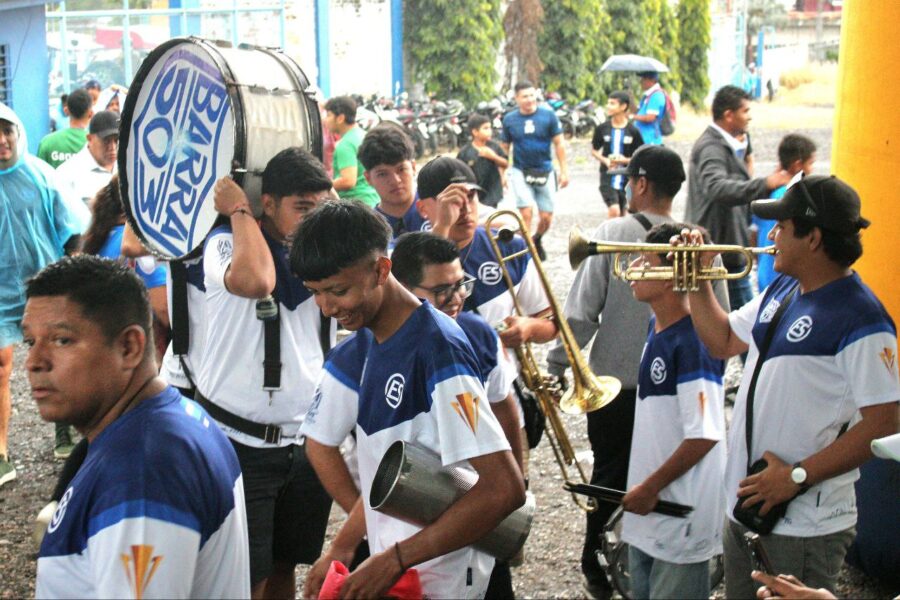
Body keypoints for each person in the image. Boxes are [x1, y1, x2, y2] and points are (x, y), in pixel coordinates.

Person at [292, 200, 525, 599]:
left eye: (338, 291)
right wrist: (344, 543)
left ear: (382, 270)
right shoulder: (370, 341)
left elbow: (504, 489)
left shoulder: (438, 348)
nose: (327, 307)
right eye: (315, 293)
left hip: (445, 579)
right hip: (406, 575)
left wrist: (396, 558)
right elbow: (396, 475)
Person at [680, 175, 899, 598]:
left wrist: (797, 476)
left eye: (782, 225)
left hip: (801, 524)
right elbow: (723, 340)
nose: (773, 234)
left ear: (813, 238)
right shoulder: (783, 288)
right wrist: (698, 279)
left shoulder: (863, 318)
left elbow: (884, 424)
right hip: (750, 509)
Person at [546, 145, 728, 600]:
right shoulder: (699, 243)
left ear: (641, 184)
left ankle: (600, 564)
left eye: (629, 181)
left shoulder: (614, 233)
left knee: (608, 481)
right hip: (652, 388)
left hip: (612, 389)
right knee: (635, 480)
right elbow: (721, 323)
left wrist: (556, 364)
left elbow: (581, 312)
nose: (634, 270)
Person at [26, 256, 250, 598]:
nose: (34, 362)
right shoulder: (166, 419)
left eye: (61, 340)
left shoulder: (141, 474)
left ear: (129, 347)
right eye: (30, 341)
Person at [196, 147, 336, 599]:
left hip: (306, 442)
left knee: (284, 566)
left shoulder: (322, 253)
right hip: (241, 444)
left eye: (321, 207)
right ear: (268, 203)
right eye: (302, 208)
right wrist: (239, 210)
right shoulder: (223, 242)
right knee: (244, 579)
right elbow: (257, 280)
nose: (314, 220)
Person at [620, 222, 726, 600]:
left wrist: (649, 487)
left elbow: (705, 433)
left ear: (671, 276)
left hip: (679, 512)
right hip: (654, 513)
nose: (632, 269)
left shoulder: (694, 340)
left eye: (643, 262)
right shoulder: (658, 326)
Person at [0, 103, 84, 482]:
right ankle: (1, 452)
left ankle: (63, 428)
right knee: (1, 367)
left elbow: (71, 228)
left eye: (8, 132)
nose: (2, 141)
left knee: (55, 356)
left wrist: (73, 277)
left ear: (18, 134)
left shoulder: (40, 176)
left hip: (43, 285)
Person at [684, 85, 792, 311]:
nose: (749, 117)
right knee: (745, 331)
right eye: (745, 111)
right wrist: (765, 184)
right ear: (728, 115)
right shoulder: (711, 147)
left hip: (727, 252)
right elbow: (717, 188)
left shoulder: (726, 144)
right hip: (722, 254)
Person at [81, 176, 169, 363]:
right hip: (132, 352)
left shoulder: (99, 238)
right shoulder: (141, 247)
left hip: (98, 343)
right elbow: (163, 308)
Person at [500, 81, 569, 260]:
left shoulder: (548, 116)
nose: (529, 100)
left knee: (546, 217)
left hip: (545, 170)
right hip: (520, 170)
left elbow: (559, 143)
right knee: (526, 212)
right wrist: (502, 173)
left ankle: (536, 238)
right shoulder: (509, 119)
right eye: (525, 96)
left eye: (532, 95)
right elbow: (504, 148)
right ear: (516, 99)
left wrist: (564, 170)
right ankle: (525, 251)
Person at [753, 134, 816, 292]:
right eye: (810, 163)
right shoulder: (794, 199)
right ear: (798, 166)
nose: (812, 169)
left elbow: (753, 234)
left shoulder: (768, 193)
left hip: (764, 274)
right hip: (783, 279)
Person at [357, 125, 428, 241]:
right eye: (383, 174)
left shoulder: (437, 210)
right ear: (368, 178)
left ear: (414, 167)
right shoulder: (368, 230)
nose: (395, 181)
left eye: (401, 169)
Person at [590, 91, 644, 219]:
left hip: (626, 178)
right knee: (614, 210)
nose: (608, 106)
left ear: (623, 106)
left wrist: (624, 160)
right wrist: (605, 160)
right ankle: (605, 237)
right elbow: (594, 150)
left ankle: (618, 237)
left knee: (623, 213)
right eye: (608, 103)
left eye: (612, 103)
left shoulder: (633, 131)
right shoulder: (602, 128)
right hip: (607, 176)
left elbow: (640, 156)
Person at [55, 110, 119, 209]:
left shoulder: (129, 169)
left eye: (116, 140)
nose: (112, 147)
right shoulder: (67, 174)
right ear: (90, 138)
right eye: (106, 141)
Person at [324, 95, 380, 207]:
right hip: (373, 199)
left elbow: (348, 180)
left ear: (340, 118)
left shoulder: (345, 144)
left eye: (329, 115)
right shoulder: (363, 135)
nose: (325, 120)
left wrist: (322, 185)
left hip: (358, 205)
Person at [457, 114, 508, 209]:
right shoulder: (465, 152)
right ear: (475, 132)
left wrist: (493, 157)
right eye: (485, 128)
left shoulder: (494, 147)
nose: (490, 131)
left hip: (492, 192)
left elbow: (505, 163)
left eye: (490, 128)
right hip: (474, 194)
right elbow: (459, 173)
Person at [37, 89, 93, 168]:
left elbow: (40, 176)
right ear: (91, 114)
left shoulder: (47, 142)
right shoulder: (96, 143)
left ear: (66, 111)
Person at [631, 72, 667, 146]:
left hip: (650, 140)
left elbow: (650, 118)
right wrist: (630, 97)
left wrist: (631, 116)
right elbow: (637, 112)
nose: (641, 81)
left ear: (652, 80)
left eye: (644, 79)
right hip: (642, 138)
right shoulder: (648, 95)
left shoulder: (656, 95)